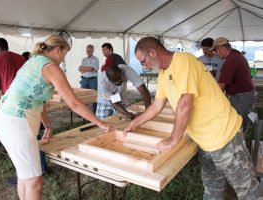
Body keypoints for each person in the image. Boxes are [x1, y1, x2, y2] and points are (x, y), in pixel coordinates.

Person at [124, 37, 263, 199]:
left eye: (143, 61)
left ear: (152, 52)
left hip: (225, 136)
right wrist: (134, 123)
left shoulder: (184, 60)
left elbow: (184, 104)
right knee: (212, 187)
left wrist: (173, 139)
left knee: (248, 191)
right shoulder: (163, 74)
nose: (144, 66)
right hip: (205, 140)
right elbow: (156, 106)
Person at [0, 35, 113, 199]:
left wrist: (47, 126)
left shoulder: (33, 61)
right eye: (64, 54)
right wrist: (100, 123)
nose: (63, 59)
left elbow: (36, 99)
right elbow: (74, 103)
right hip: (16, 123)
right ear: (57, 50)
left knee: (25, 176)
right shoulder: (51, 67)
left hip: (4, 117)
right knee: (34, 181)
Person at [211, 37, 255, 130]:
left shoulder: (231, 60)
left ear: (220, 48)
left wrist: (212, 100)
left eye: (215, 50)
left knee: (237, 122)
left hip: (242, 97)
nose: (215, 54)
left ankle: (240, 141)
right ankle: (242, 137)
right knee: (240, 120)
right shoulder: (236, 55)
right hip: (244, 95)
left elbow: (221, 85)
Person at [78, 44, 99, 112]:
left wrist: (84, 69)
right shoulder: (84, 59)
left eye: (90, 51)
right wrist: (87, 69)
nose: (88, 52)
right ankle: (83, 112)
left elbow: (91, 69)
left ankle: (95, 112)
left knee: (94, 97)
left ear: (93, 51)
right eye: (87, 51)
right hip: (84, 80)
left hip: (92, 80)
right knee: (82, 97)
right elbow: (79, 69)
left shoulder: (95, 59)